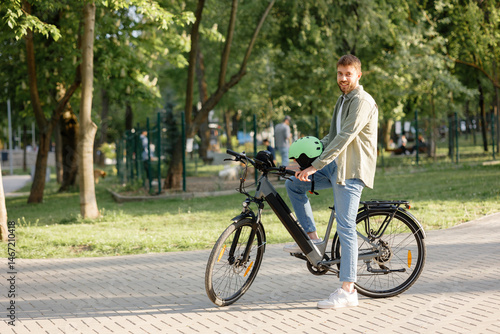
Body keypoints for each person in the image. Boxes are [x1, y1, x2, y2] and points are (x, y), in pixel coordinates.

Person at [284, 54, 378, 309]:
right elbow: (331, 136)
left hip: (351, 170)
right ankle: (313, 239)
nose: (343, 78)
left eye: (348, 74)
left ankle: (349, 290)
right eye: (340, 73)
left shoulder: (362, 101)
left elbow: (346, 136)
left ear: (359, 75)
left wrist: (316, 165)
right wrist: (304, 161)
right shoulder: (342, 100)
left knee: (345, 227)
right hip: (335, 166)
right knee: (294, 184)